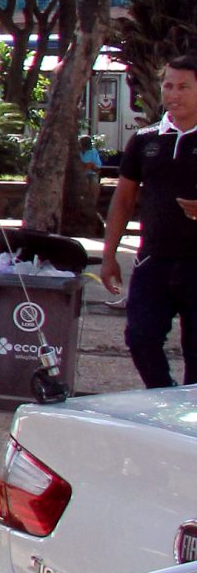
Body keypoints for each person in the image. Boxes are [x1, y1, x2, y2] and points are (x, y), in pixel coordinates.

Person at [99, 56, 197, 388]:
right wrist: (109, 254)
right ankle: (164, 398)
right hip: (154, 261)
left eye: (183, 87)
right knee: (140, 337)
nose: (174, 94)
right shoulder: (145, 140)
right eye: (168, 85)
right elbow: (123, 200)